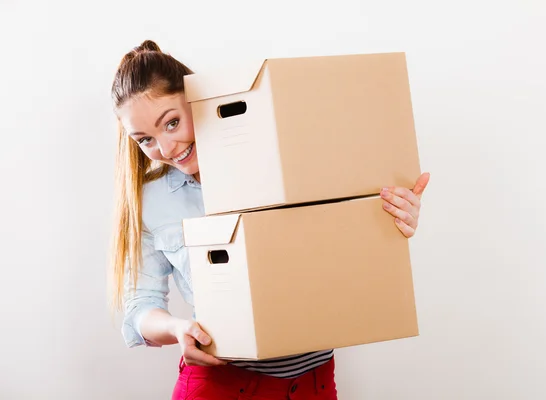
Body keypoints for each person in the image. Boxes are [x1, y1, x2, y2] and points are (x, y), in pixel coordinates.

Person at [109, 40, 430, 400]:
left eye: (171, 123)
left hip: (314, 381)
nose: (166, 149)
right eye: (145, 140)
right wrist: (178, 328)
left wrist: (391, 218)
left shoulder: (287, 162)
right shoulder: (151, 202)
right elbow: (140, 307)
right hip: (220, 384)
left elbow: (346, 238)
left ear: (197, 97)